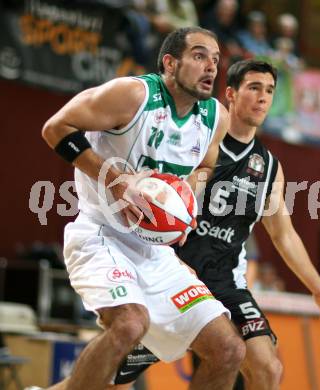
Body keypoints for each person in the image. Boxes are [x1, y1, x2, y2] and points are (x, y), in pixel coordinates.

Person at [107, 59, 320, 390]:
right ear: (231, 94)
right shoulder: (194, 141)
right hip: (173, 274)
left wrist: (318, 288)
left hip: (225, 282)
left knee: (267, 368)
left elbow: (283, 233)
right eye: (254, 88)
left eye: (269, 91)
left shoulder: (268, 167)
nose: (263, 97)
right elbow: (152, 206)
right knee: (109, 381)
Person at [41, 27, 246, 390]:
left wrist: (184, 201)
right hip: (101, 234)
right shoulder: (132, 95)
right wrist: (113, 180)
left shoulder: (215, 118)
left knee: (228, 349)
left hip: (155, 250)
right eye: (199, 56)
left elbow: (207, 166)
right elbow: (56, 128)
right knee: (130, 324)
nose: (211, 67)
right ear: (170, 62)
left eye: (215, 59)